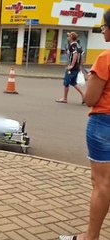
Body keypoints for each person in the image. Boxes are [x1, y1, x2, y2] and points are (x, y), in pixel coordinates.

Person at [59, 10, 110, 240]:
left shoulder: (105, 59)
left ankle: (90, 237)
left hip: (103, 123)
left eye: (103, 26)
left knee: (101, 184)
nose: (102, 30)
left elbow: (90, 99)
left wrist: (91, 79)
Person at [56, 32, 85, 104]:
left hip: (72, 68)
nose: (67, 37)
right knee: (73, 82)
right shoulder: (78, 45)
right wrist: (80, 66)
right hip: (77, 67)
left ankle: (65, 98)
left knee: (66, 82)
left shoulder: (73, 46)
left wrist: (71, 65)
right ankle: (84, 95)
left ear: (71, 37)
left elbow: (75, 55)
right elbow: (81, 56)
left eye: (69, 36)